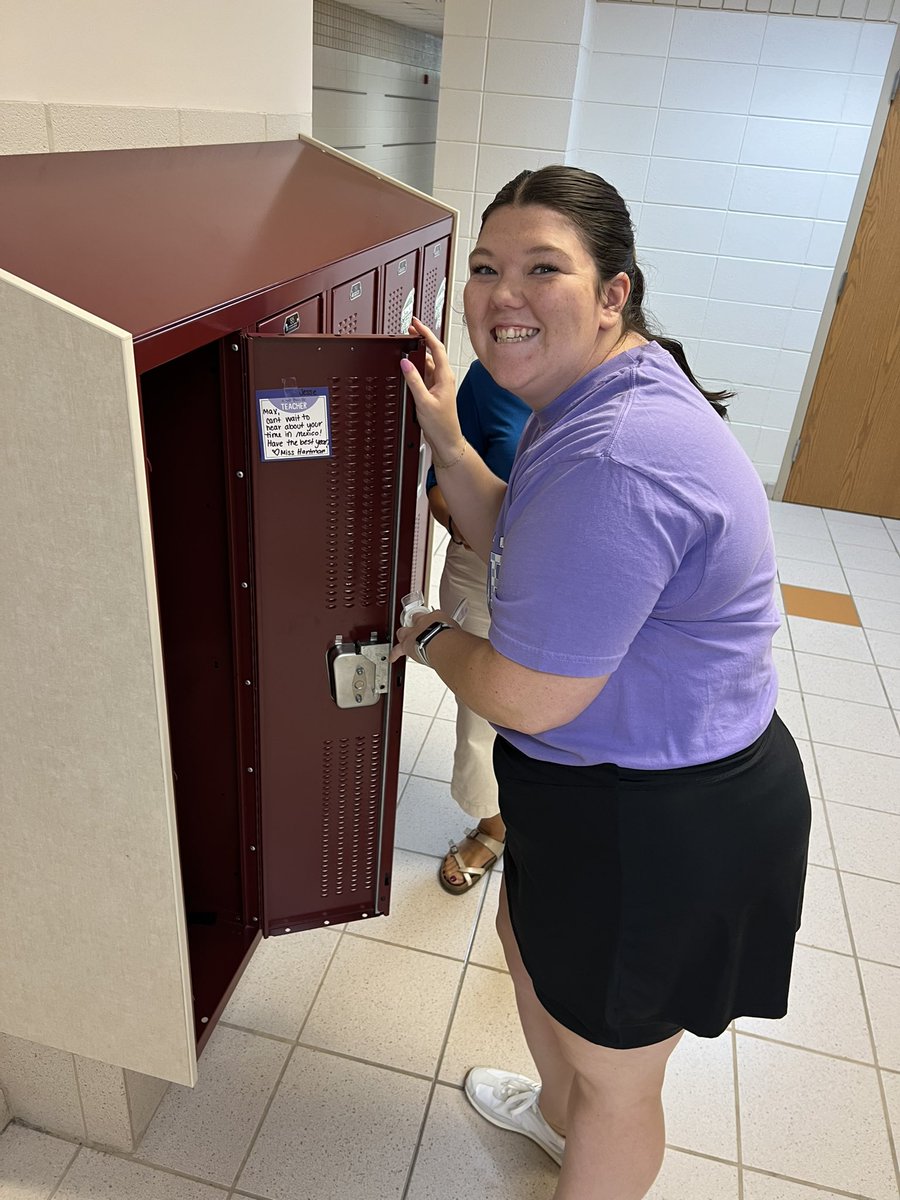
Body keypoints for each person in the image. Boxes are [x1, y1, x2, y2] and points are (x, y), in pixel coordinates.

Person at [393, 165, 811, 1200]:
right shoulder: (599, 391)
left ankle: (584, 1134)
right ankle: (550, 1118)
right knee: (527, 949)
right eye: (487, 268)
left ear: (615, 290)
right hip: (596, 789)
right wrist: (446, 432)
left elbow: (533, 696)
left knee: (618, 1074)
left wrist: (429, 632)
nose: (503, 295)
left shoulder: (618, 449)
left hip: (664, 820)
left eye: (545, 268)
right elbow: (521, 533)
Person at [425, 361, 529, 893]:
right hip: (482, 569)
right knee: (483, 712)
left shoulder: (618, 383)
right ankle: (493, 824)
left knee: (573, 714)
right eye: (485, 271)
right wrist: (461, 524)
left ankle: (550, 825)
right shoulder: (489, 378)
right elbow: (438, 485)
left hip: (572, 576)